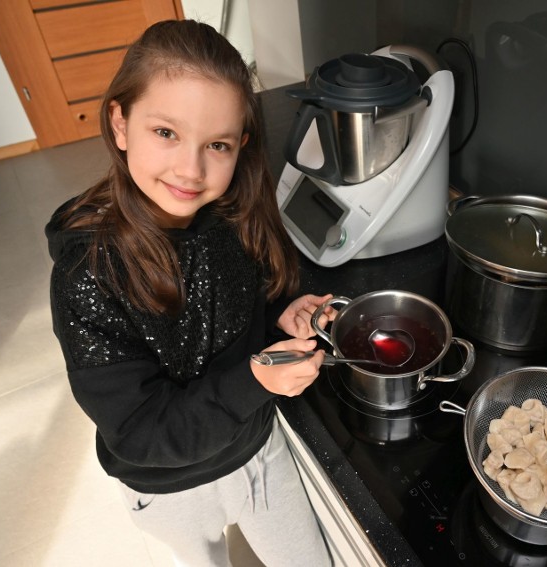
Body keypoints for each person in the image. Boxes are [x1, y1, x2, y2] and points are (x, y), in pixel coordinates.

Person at [45, 19, 333, 566]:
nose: (191, 169)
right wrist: (254, 381)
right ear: (121, 122)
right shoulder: (88, 274)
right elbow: (138, 430)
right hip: (167, 489)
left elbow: (241, 312)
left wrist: (280, 317)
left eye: (217, 144)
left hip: (255, 449)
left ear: (240, 144)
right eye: (166, 133)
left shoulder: (233, 217)